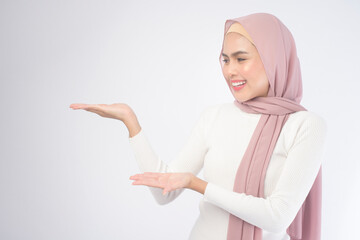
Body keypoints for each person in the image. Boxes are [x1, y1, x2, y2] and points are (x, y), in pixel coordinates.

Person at [69, 12, 327, 240]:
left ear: (274, 59)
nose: (230, 71)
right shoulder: (214, 117)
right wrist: (130, 121)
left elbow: (277, 216)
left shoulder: (305, 126)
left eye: (241, 58)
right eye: (225, 60)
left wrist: (198, 185)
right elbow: (164, 193)